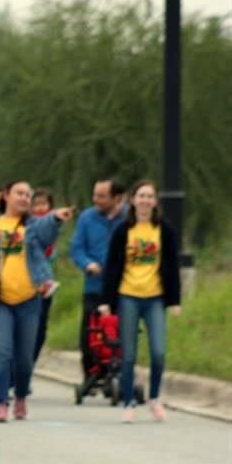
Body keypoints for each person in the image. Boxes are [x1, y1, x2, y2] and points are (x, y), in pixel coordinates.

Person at [0, 180, 73, 421]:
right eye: (19, 193)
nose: (24, 198)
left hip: (30, 300)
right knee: (2, 351)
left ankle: (21, 396)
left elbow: (48, 233)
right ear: (6, 195)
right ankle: (1, 402)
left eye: (28, 195)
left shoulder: (35, 226)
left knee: (25, 356)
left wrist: (56, 218)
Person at [100, 180, 181, 423]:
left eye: (149, 196)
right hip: (129, 297)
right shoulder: (123, 230)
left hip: (155, 298)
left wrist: (174, 300)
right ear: (134, 200)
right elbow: (112, 266)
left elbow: (172, 265)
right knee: (128, 355)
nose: (145, 200)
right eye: (141, 196)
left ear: (154, 202)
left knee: (158, 352)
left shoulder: (163, 229)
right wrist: (107, 301)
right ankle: (128, 402)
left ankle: (154, 398)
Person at [70, 178, 127, 377]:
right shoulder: (87, 218)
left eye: (101, 196)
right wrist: (88, 264)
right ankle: (92, 374)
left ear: (117, 198)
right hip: (94, 286)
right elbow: (76, 248)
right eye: (95, 195)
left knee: (121, 332)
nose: (96, 200)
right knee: (90, 334)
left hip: (123, 288)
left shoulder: (130, 218)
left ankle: (119, 371)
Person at [30, 187, 60, 362]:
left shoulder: (53, 225)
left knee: (41, 326)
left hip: (45, 284)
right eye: (37, 204)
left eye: (44, 204)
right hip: (27, 284)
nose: (40, 208)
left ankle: (30, 364)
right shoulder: (27, 225)